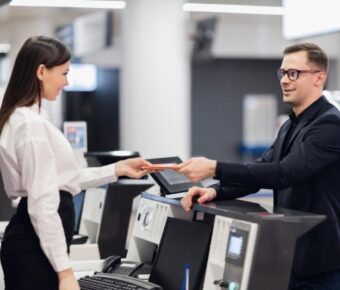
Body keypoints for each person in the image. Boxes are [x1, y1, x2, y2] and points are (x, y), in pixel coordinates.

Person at [178, 43, 340, 290]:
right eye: (282, 73)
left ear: (319, 77)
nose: (285, 80)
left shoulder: (330, 125)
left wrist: (214, 167)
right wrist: (216, 191)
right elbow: (262, 168)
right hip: (291, 255)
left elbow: (284, 173)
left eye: (294, 73)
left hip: (322, 263)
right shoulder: (290, 125)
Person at [0, 36, 152, 290]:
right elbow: (43, 203)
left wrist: (117, 169)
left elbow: (62, 180)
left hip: (31, 242)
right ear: (41, 71)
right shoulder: (31, 125)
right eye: (64, 73)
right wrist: (65, 272)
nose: (67, 82)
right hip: (34, 246)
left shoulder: (27, 118)